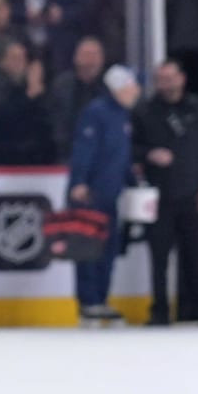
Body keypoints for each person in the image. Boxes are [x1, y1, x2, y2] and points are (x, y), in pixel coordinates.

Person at [134, 59, 198, 326]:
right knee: (158, 259)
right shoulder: (146, 111)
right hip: (159, 198)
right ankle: (160, 310)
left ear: (181, 78)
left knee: (197, 256)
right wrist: (149, 154)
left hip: (194, 195)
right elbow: (132, 147)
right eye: (161, 79)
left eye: (170, 78)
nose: (166, 84)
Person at [67, 65, 142, 326]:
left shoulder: (122, 115)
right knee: (89, 247)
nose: (137, 91)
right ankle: (89, 301)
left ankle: (100, 298)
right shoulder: (97, 113)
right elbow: (84, 148)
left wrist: (135, 181)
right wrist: (79, 182)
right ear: (120, 88)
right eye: (133, 85)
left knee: (108, 249)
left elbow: (121, 157)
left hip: (110, 194)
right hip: (91, 194)